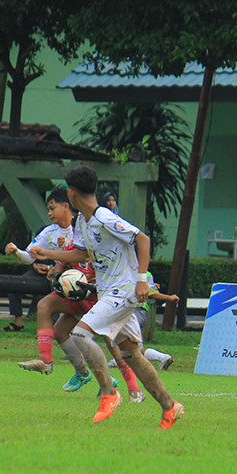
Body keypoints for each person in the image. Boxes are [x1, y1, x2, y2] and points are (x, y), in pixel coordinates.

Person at [32, 166, 183, 428]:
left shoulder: (104, 217)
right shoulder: (83, 222)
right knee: (132, 354)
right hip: (108, 291)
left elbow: (142, 239)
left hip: (123, 291)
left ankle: (109, 394)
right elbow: (84, 255)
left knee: (79, 334)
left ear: (72, 192)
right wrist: (49, 254)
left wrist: (141, 279)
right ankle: (170, 407)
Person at [19, 187, 145, 403]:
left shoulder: (101, 227)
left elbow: (104, 259)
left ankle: (133, 389)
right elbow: (68, 258)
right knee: (50, 314)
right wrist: (57, 273)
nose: (50, 214)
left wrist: (137, 280)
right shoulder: (74, 235)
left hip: (99, 296)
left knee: (115, 346)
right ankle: (67, 368)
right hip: (78, 296)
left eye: (53, 208)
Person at [1, 209, 59, 332]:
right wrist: (33, 264)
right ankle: (18, 323)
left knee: (55, 293)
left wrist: (51, 268)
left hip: (56, 272)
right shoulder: (45, 231)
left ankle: (56, 327)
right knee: (14, 286)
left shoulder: (72, 232)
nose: (50, 213)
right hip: (37, 271)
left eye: (53, 209)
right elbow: (30, 256)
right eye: (48, 209)